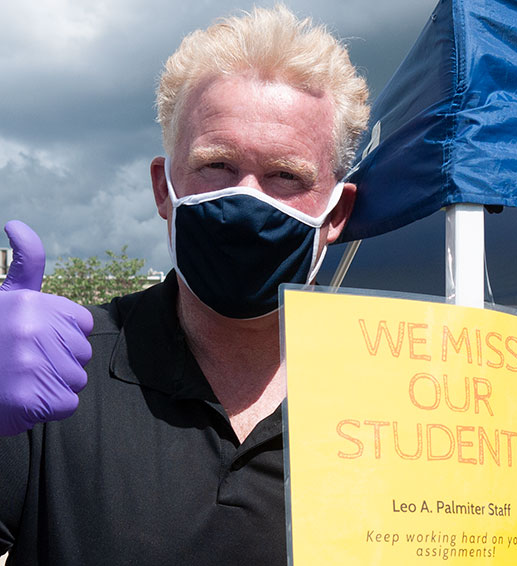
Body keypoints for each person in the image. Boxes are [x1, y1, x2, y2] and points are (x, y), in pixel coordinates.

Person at [0, 6, 369, 565]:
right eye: (216, 165)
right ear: (162, 190)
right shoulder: (57, 378)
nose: (247, 199)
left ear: (337, 212)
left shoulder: (396, 400)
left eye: (286, 175)